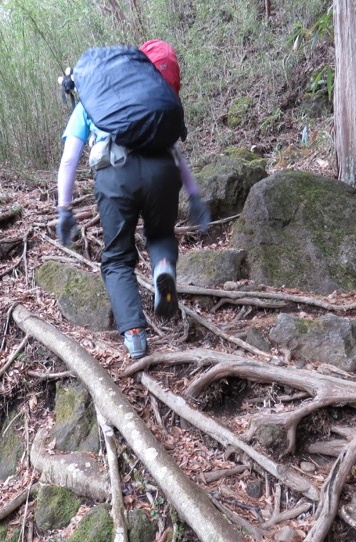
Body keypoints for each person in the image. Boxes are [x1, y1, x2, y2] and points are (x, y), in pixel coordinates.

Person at [55, 39, 210, 359]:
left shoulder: (90, 102)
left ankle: (136, 335)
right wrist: (195, 197)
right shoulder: (153, 98)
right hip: (163, 172)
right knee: (161, 235)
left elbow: (69, 160)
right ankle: (163, 269)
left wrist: (64, 209)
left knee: (117, 257)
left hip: (117, 176)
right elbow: (176, 152)